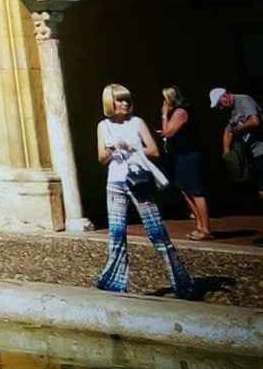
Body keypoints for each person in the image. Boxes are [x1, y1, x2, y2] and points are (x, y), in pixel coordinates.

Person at [95, 84, 196, 299]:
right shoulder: (103, 126)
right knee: (116, 233)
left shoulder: (137, 123)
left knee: (157, 231)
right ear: (110, 103)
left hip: (138, 181)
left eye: (127, 100)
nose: (125, 104)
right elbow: (101, 157)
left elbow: (155, 151)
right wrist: (113, 149)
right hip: (115, 182)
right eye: (120, 100)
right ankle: (114, 282)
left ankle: (182, 282)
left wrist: (133, 148)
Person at [159, 88, 212, 239]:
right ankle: (199, 225)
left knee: (196, 190)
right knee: (185, 190)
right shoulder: (174, 113)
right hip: (180, 155)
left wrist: (164, 114)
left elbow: (168, 132)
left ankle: (206, 229)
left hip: (189, 155)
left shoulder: (180, 112)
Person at [210, 86, 263, 223]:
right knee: (259, 189)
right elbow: (227, 131)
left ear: (225, 97)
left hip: (261, 150)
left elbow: (254, 120)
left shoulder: (244, 100)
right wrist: (226, 152)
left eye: (220, 105)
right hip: (253, 154)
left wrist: (239, 129)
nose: (221, 108)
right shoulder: (233, 111)